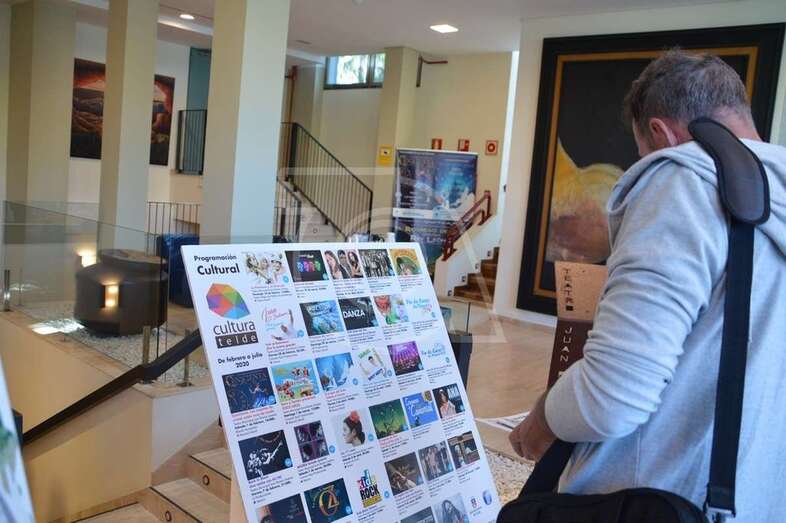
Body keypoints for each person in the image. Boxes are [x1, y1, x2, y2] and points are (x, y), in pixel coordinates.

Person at [508, 50, 786, 521]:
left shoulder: (682, 181)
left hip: (658, 497)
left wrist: (543, 418)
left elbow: (612, 394)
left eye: (642, 152)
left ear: (662, 133)